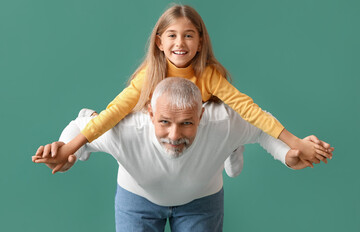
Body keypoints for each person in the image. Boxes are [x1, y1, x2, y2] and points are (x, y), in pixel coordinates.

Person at [49, 4, 332, 178]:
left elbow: (250, 109)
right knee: (116, 119)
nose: (180, 43)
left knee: (229, 116)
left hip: (203, 125)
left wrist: (295, 142)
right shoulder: (148, 77)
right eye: (172, 35)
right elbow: (115, 112)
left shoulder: (208, 76)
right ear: (160, 42)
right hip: (165, 128)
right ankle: (86, 120)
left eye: (188, 35)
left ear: (199, 41)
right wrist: (69, 148)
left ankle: (232, 145)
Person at [33, 78, 334, 232]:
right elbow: (80, 126)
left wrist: (288, 155)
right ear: (150, 114)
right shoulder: (126, 128)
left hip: (201, 203)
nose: (175, 135)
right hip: (136, 199)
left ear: (202, 115)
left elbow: (262, 128)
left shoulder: (222, 121)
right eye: (164, 122)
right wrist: (64, 149)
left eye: (187, 123)